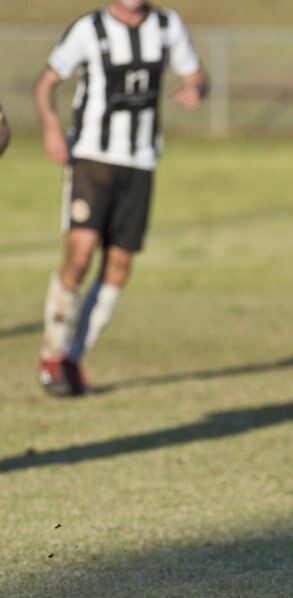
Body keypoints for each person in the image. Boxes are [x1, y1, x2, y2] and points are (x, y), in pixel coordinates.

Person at [35, 0, 207, 396]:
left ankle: (74, 359)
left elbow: (197, 74)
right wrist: (50, 128)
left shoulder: (167, 25)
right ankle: (51, 355)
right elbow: (45, 83)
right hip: (92, 159)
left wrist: (197, 87)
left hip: (141, 161)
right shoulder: (88, 29)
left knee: (120, 264)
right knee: (80, 252)